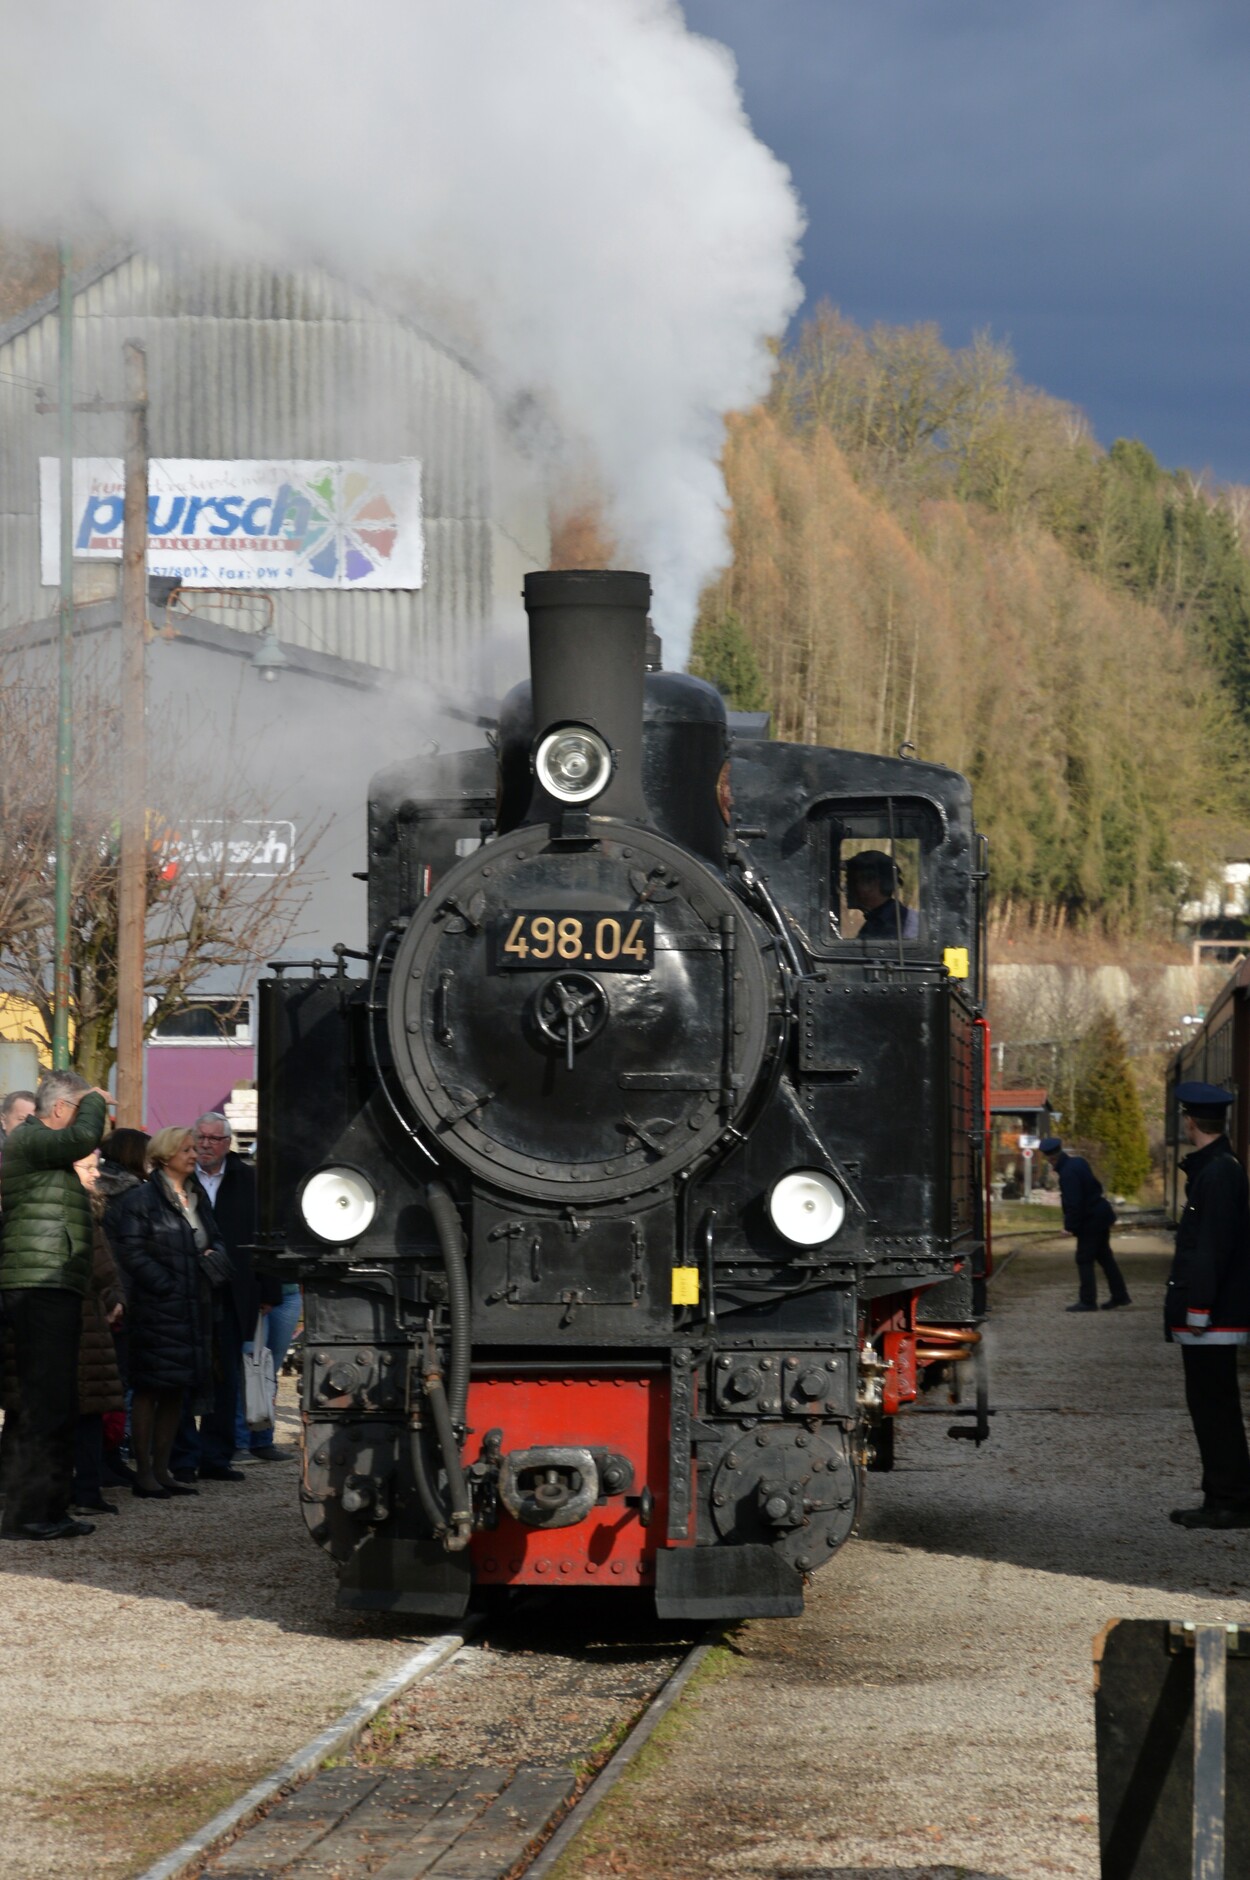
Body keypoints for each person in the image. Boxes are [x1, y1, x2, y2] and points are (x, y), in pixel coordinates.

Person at [0, 1071, 109, 1542]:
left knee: (55, 1402)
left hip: (50, 1282)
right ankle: (29, 1514)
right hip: (38, 1284)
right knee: (44, 1404)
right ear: (61, 1109)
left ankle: (49, 1508)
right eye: (80, 1106)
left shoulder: (40, 1149)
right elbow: (87, 1134)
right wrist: (97, 1102)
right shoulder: (32, 1138)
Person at [108, 1127, 230, 1500]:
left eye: (195, 1148)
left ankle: (163, 1468)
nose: (195, 1154)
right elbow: (130, 1252)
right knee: (149, 1389)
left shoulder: (196, 1197)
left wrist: (214, 1261)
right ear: (165, 1154)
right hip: (157, 1308)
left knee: (176, 1389)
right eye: (187, 1149)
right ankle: (144, 1471)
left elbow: (215, 1238)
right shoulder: (141, 1199)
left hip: (193, 1306)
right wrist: (169, 1284)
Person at [168, 1112, 278, 1481]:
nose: (205, 1144)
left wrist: (268, 1289)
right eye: (200, 1137)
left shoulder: (249, 1180)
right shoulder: (179, 1179)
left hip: (235, 1291)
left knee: (227, 1377)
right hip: (186, 1292)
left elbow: (267, 1236)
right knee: (185, 1374)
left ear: (228, 1143)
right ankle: (183, 1457)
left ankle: (217, 1456)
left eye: (214, 1139)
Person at [1165, 1082, 1250, 1530]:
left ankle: (1232, 1501)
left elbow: (1211, 1247)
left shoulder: (1217, 1173)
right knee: (1211, 1406)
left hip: (1211, 1318)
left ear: (1191, 1121)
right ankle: (1221, 1496)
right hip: (1214, 1316)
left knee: (1214, 1407)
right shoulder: (1219, 1168)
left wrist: (1198, 1308)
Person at [68, 1150, 126, 1516]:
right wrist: (113, 1297)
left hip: (84, 1319)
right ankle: (84, 1490)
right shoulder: (79, 1210)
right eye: (87, 1167)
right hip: (84, 1320)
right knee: (86, 1410)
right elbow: (100, 1267)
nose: (95, 1173)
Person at [97, 1127, 151, 1488]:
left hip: (110, 1294)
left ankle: (108, 1457)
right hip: (119, 1298)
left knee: (108, 1384)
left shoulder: (101, 1190)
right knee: (113, 1384)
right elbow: (127, 1253)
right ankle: (106, 1457)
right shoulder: (133, 1195)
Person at [1040, 1135, 1131, 1312]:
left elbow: (1075, 1203)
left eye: (1048, 1159)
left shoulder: (1066, 1174)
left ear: (1051, 1158)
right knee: (1105, 1257)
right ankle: (1120, 1295)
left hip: (1091, 1221)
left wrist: (1069, 1227)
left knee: (1084, 1259)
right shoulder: (1079, 1162)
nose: (1049, 1164)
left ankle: (1088, 1301)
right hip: (1101, 1214)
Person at [843, 850, 920, 941]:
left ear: (871, 883)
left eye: (850, 882)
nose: (844, 888)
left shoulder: (905, 927)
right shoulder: (877, 921)